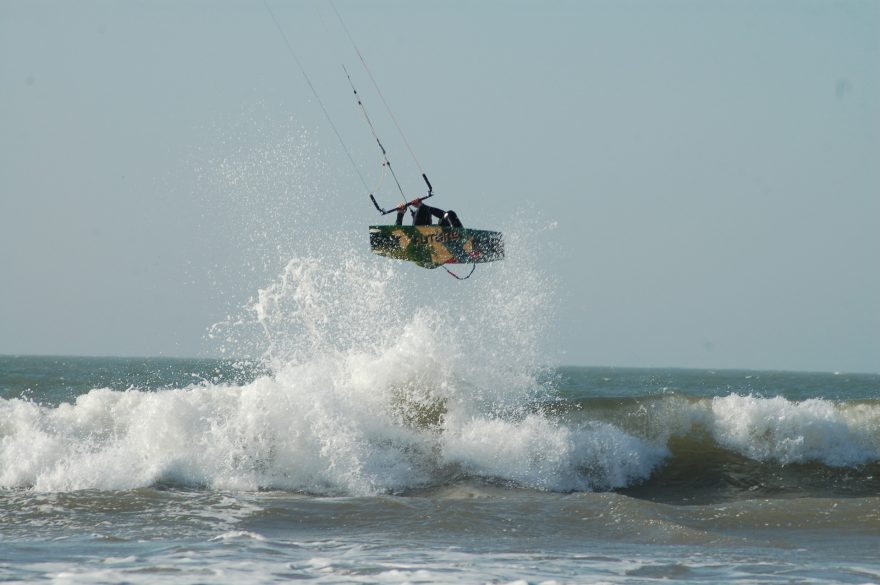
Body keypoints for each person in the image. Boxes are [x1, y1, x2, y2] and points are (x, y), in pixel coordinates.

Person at [395, 198, 462, 227]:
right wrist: (400, 214)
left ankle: (462, 235)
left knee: (450, 213)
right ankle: (423, 207)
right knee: (422, 209)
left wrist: (422, 206)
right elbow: (396, 234)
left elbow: (444, 214)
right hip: (419, 238)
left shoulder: (441, 230)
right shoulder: (409, 238)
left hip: (443, 238)